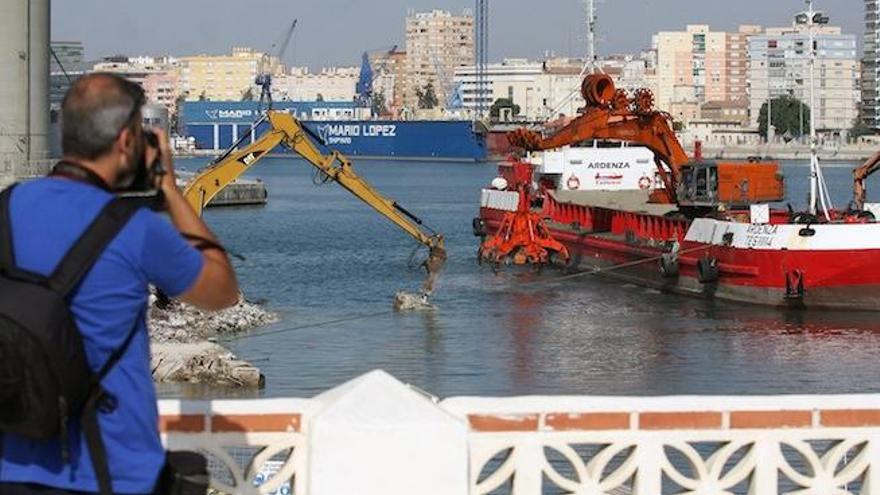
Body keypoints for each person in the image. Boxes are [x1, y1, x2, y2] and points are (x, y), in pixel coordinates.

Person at [0, 73, 240, 494]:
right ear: (128, 142)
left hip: (12, 466)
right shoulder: (136, 229)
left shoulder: (5, 210)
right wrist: (168, 188)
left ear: (66, 132)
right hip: (111, 470)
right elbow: (221, 291)